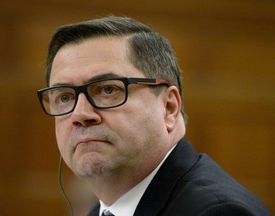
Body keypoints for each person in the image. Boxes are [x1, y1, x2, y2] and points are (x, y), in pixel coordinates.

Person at [37, 16, 270, 216]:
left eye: (108, 90)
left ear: (168, 107)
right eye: (64, 97)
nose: (80, 114)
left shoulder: (215, 212)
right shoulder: (101, 211)